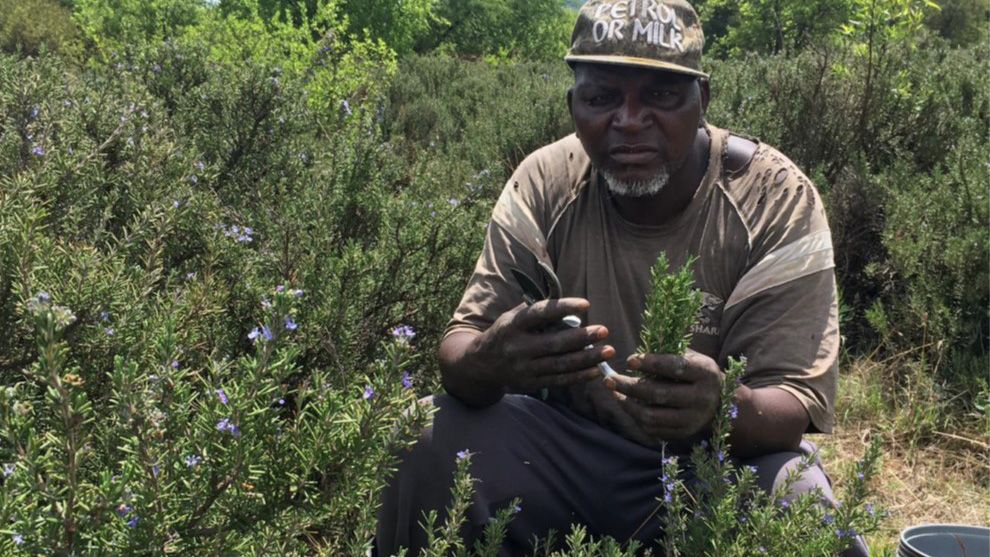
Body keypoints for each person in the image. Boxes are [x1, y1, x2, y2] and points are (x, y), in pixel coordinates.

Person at [378, 1, 867, 555]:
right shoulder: (546, 180)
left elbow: (792, 406)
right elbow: (460, 347)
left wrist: (721, 405)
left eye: (659, 95)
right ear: (573, 106)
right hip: (563, 452)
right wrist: (490, 359)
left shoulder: (773, 197)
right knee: (427, 435)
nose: (629, 119)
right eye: (602, 97)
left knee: (802, 507)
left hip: (715, 468)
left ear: (701, 101)